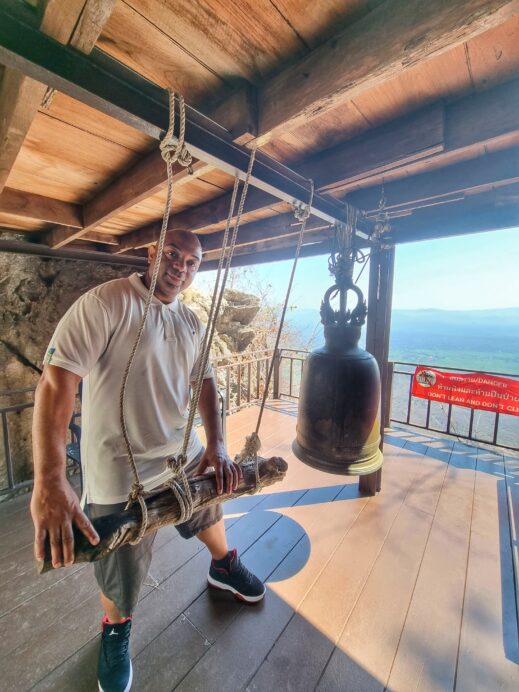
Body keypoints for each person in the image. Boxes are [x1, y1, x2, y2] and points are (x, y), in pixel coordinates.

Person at [30, 230, 265, 692]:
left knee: (209, 505)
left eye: (192, 262)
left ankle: (223, 564)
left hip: (182, 454)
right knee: (121, 560)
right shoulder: (107, 303)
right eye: (173, 254)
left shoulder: (192, 321)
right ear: (152, 252)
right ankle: (115, 626)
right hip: (120, 466)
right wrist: (51, 481)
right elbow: (57, 384)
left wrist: (216, 444)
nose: (181, 266)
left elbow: (206, 381)